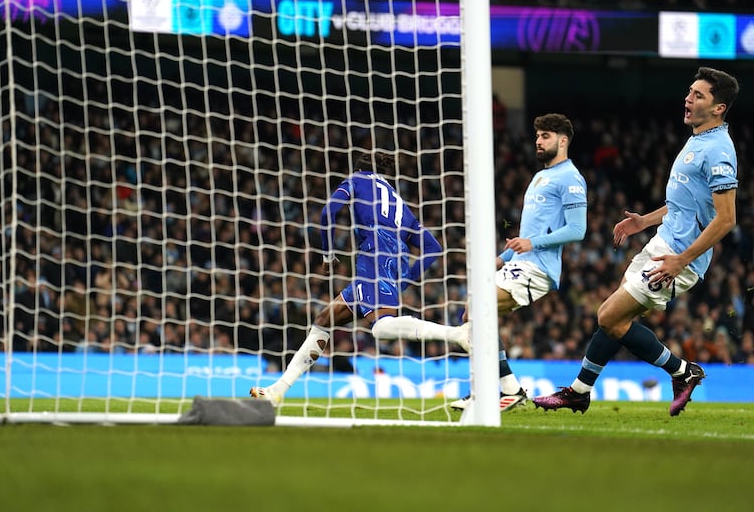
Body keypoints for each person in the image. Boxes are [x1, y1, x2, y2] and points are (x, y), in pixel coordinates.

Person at [533, 67, 739, 417]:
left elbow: (726, 219)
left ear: (719, 108)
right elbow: (685, 204)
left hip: (677, 255)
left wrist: (681, 261)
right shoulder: (699, 140)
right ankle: (582, 391)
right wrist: (644, 221)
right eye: (689, 92)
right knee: (613, 320)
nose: (687, 99)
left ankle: (679, 371)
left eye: (698, 95)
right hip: (663, 241)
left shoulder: (719, 150)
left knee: (609, 315)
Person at [250, 152, 470, 405]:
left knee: (381, 327)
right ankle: (278, 389)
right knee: (324, 320)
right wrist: (406, 279)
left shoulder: (355, 180)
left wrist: (328, 254)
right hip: (388, 258)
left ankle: (457, 334)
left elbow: (327, 213)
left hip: (373, 253)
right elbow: (433, 248)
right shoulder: (397, 201)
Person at [450, 112, 588, 412]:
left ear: (563, 141)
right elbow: (528, 234)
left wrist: (531, 244)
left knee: (479, 310)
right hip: (520, 262)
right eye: (537, 136)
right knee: (472, 316)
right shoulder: (540, 176)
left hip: (538, 268)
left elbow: (578, 230)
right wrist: (502, 257)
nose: (538, 141)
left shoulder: (571, 178)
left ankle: (498, 391)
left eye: (545, 136)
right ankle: (504, 389)